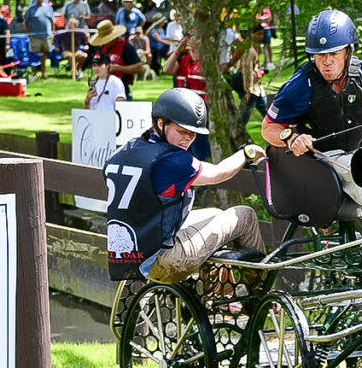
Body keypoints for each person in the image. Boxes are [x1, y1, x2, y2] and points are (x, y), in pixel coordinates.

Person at [102, 87, 266, 282]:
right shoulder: (173, 161)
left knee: (215, 214)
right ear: (161, 123)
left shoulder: (126, 150)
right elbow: (219, 173)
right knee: (245, 215)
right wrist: (245, 153)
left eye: (194, 133)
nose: (188, 138)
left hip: (132, 254)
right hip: (164, 260)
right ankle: (259, 297)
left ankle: (219, 297)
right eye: (182, 131)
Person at [260, 9, 362, 224]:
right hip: (327, 159)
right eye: (320, 55)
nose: (326, 62)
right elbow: (268, 128)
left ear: (348, 51)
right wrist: (291, 138)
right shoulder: (300, 84)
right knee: (360, 170)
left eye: (334, 54)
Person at [163, 33, 210, 161]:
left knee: (198, 147)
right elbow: (167, 70)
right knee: (179, 145)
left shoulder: (205, 63)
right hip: (180, 110)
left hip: (198, 111)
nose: (193, 51)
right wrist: (178, 51)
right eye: (190, 48)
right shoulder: (183, 60)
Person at [89, 19, 144, 100]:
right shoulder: (102, 49)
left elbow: (139, 68)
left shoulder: (126, 47)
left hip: (121, 90)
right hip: (102, 89)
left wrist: (117, 68)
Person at [239, 23, 269, 144]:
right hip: (252, 91)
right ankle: (239, 140)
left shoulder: (254, 48)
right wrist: (248, 90)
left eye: (262, 33)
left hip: (258, 89)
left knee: (268, 114)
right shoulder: (250, 50)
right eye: (259, 34)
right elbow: (246, 70)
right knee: (243, 118)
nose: (261, 36)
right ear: (252, 35)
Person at [23, 0, 55, 78]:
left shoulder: (49, 8)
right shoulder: (31, 9)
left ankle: (44, 73)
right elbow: (25, 21)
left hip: (47, 36)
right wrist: (28, 33)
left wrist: (53, 32)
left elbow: (52, 22)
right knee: (34, 55)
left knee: (44, 55)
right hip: (35, 37)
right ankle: (34, 73)